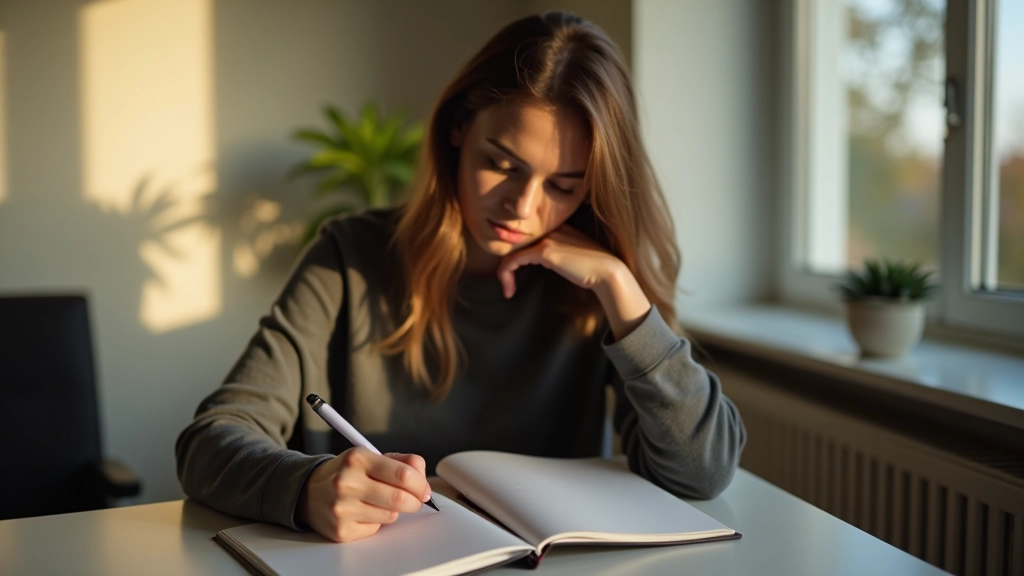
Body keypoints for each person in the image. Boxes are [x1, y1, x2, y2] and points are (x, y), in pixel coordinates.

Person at [175, 11, 746, 544]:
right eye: (502, 164)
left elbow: (703, 472)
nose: (522, 206)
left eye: (563, 186)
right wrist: (305, 487)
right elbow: (209, 442)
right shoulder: (347, 259)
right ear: (458, 127)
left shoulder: (595, 289)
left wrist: (623, 291)